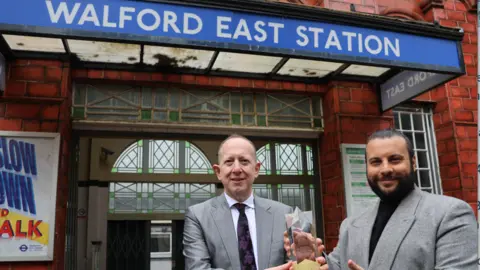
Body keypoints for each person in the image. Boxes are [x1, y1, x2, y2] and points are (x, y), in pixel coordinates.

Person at [284, 129, 477, 270]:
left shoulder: (450, 214)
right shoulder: (351, 224)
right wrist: (314, 259)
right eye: (376, 162)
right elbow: (338, 266)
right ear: (367, 168)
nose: (385, 169)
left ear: (414, 162)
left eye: (394, 159)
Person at [183, 134, 294, 270]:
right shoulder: (197, 216)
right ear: (218, 171)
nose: (236, 169)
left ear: (256, 169)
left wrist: (312, 256)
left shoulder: (287, 214)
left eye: (244, 161)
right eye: (229, 161)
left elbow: (301, 262)